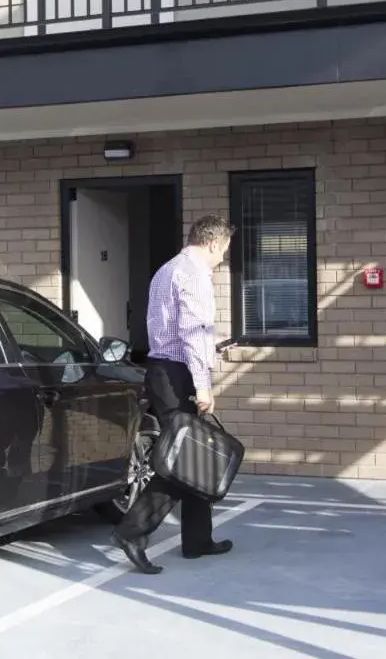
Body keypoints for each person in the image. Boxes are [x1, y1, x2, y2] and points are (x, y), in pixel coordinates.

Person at [112, 214, 236, 574]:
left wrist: (211, 349)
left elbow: (175, 330)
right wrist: (202, 384)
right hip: (178, 376)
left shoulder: (167, 269)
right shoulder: (194, 275)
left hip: (165, 370)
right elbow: (193, 333)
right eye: (224, 250)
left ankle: (198, 540)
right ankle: (132, 532)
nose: (223, 258)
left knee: (194, 453)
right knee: (182, 458)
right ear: (212, 242)